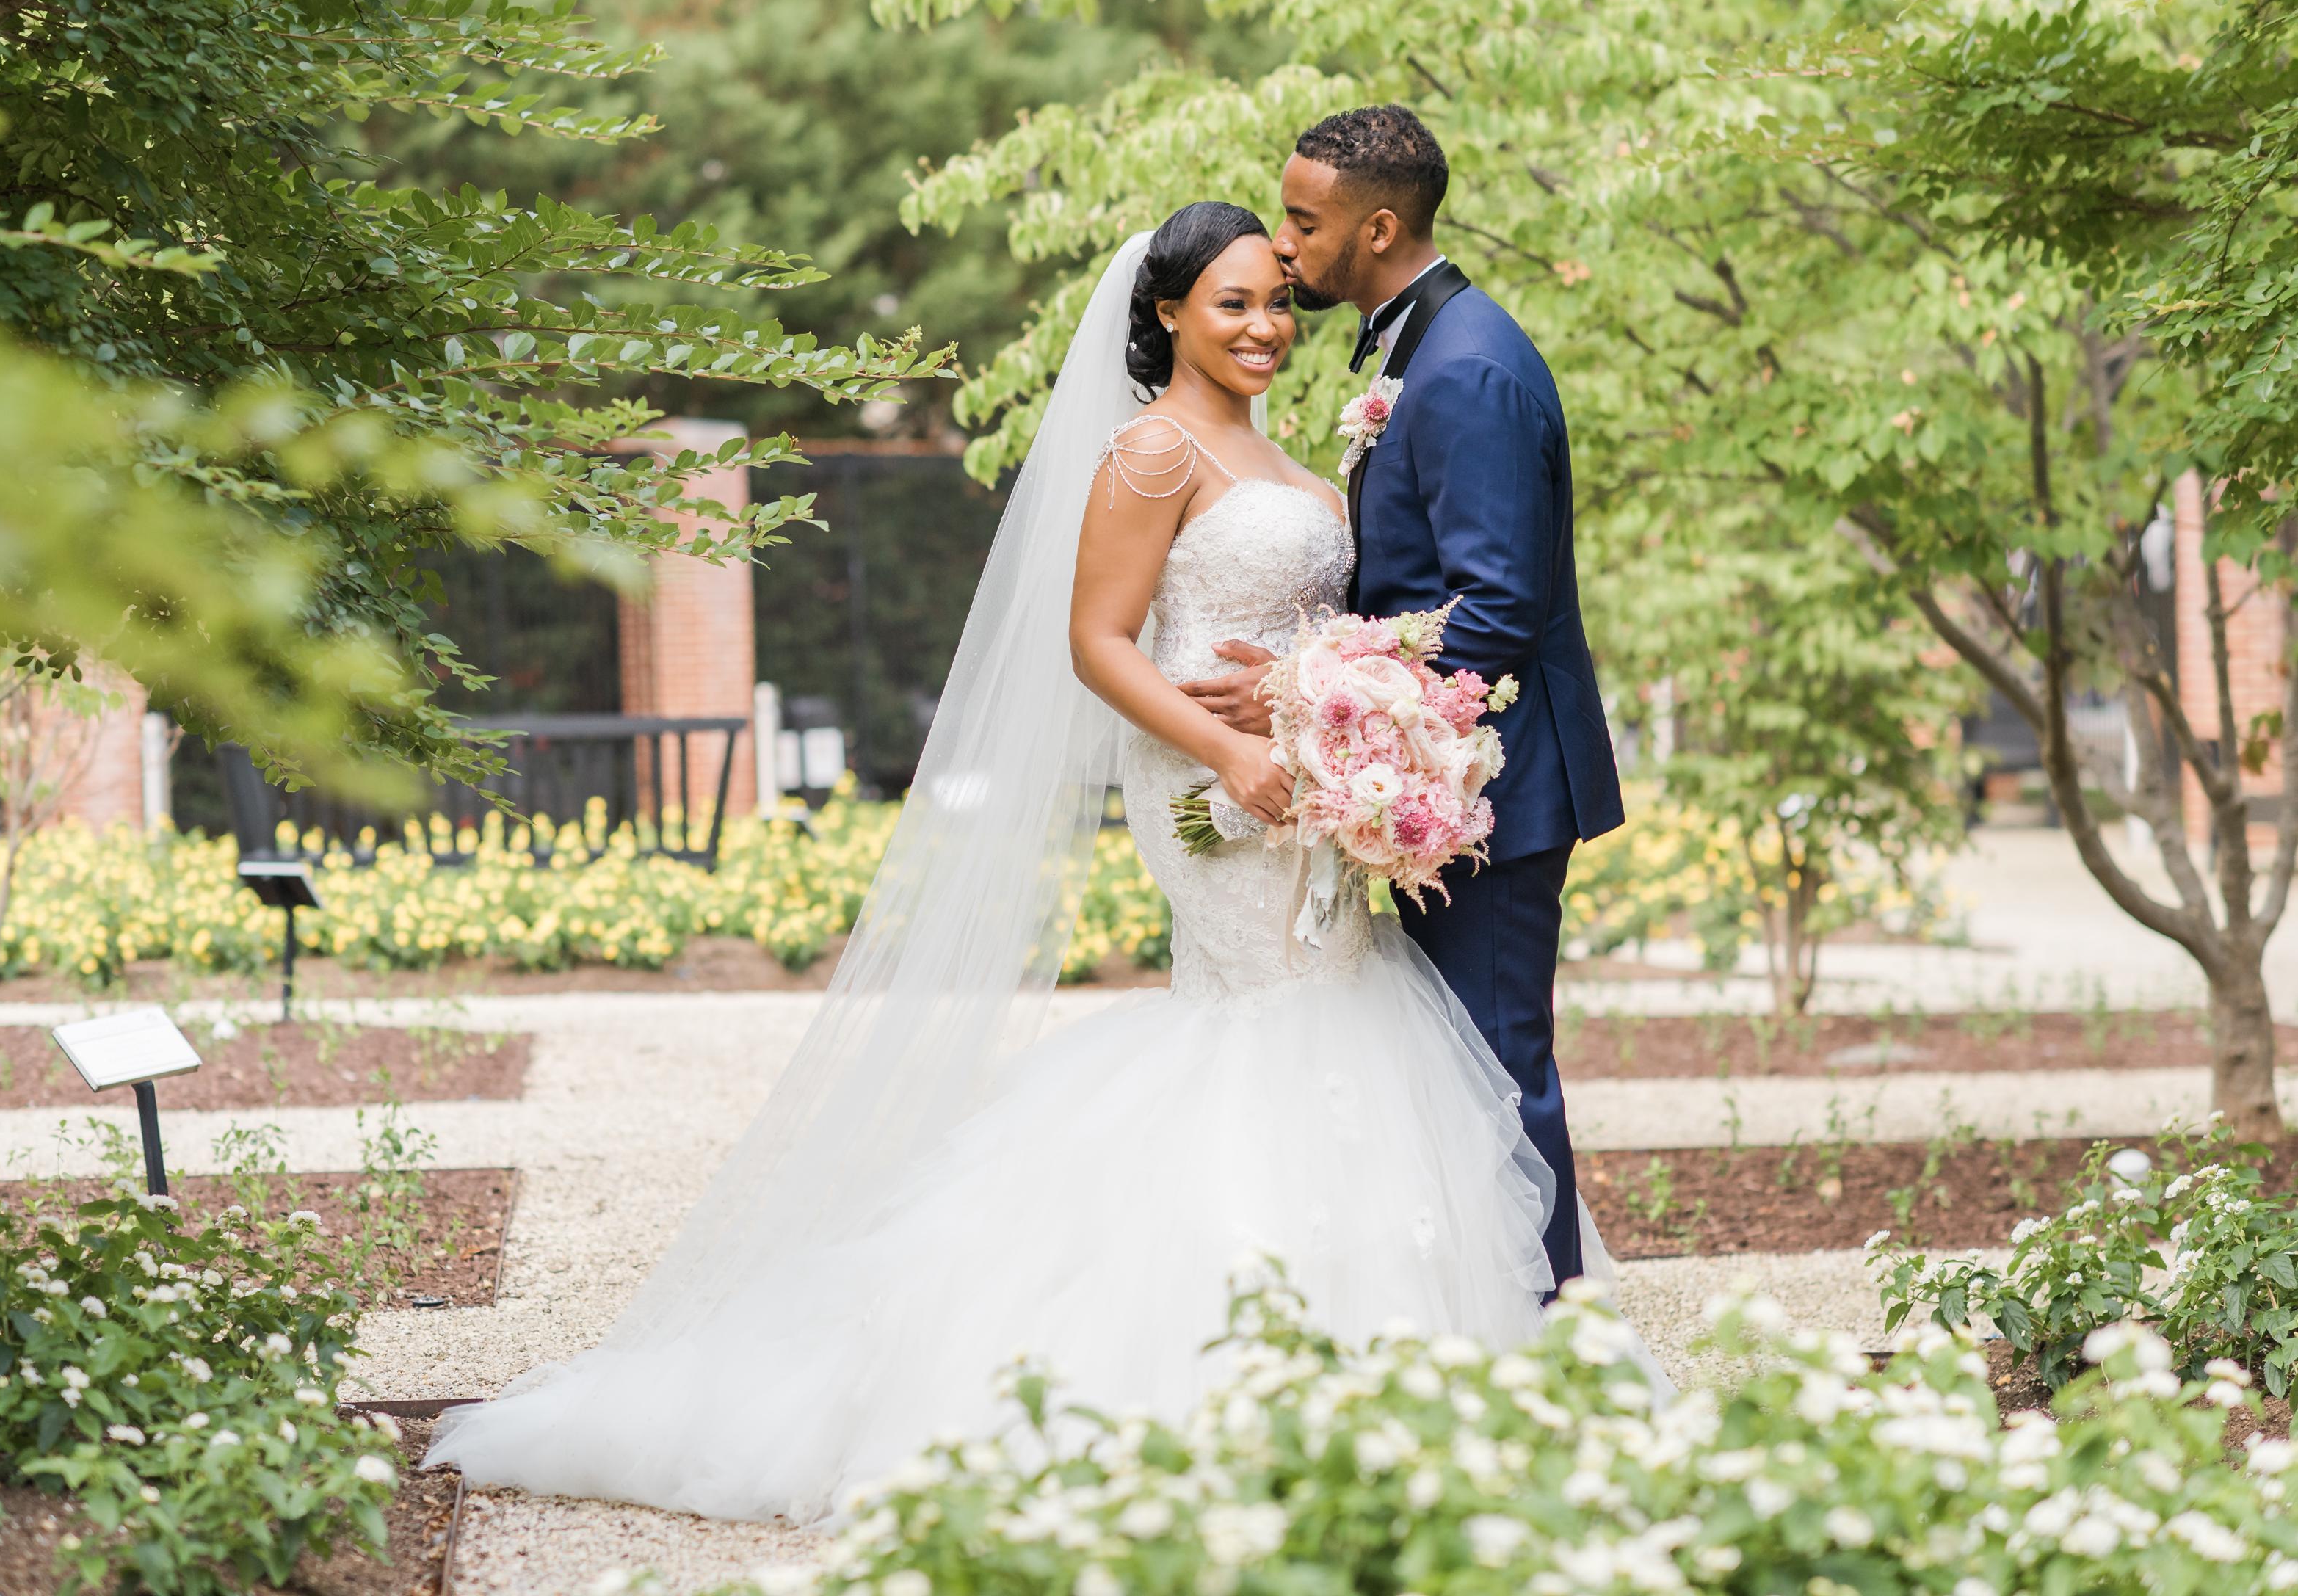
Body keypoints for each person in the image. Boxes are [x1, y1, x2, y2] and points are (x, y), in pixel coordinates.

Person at [423, 200, 1659, 1526]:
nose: (1262, 328)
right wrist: (1232, 755)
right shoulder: (1148, 452)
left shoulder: (1285, 456)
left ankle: (1388, 1378)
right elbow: (1101, 641)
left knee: (1342, 1016)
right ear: (1170, 313)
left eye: (1276, 303)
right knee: (1278, 1019)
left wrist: (1337, 718)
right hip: (1213, 787)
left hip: (1306, 783)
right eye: (1231, 303)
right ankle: (1252, 1383)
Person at [1183, 106, 1625, 1288]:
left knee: (1493, 1068)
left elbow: (1492, 617)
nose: (1283, 248)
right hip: (1432, 778)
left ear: (1377, 228)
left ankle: (1545, 1342)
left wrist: (1307, 693)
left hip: (1493, 792)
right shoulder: (1411, 345)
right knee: (1446, 1077)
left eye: (1303, 222)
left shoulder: (1469, 366)